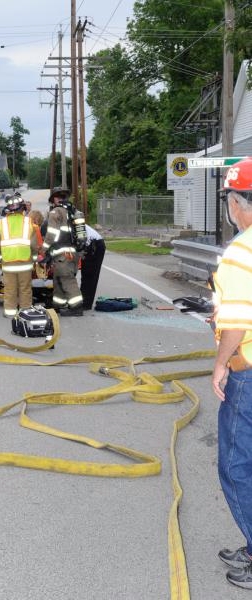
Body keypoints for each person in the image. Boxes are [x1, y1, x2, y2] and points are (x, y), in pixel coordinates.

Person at [211, 157, 252, 590]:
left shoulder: (242, 251)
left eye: (230, 200)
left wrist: (222, 363)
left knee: (237, 466)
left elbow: (238, 321)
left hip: (249, 373)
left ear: (238, 202)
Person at [0, 194, 38, 318]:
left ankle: (10, 312)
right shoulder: (28, 222)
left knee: (10, 289)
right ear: (22, 208)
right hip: (25, 262)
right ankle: (25, 312)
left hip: (8, 262)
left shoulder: (2, 223)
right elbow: (34, 245)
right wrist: (34, 260)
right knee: (25, 289)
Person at [41, 187, 84, 316]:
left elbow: (52, 234)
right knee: (58, 277)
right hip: (74, 253)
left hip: (62, 253)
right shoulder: (74, 211)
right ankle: (58, 305)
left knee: (67, 279)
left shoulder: (56, 212)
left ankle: (76, 307)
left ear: (54, 199)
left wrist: (43, 249)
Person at [80, 224, 106, 310]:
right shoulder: (69, 223)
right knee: (85, 275)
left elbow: (79, 244)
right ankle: (84, 302)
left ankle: (86, 304)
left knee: (90, 275)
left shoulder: (71, 225)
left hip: (95, 246)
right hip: (91, 245)